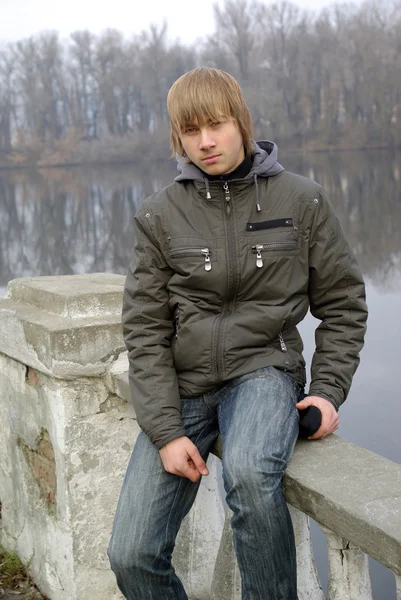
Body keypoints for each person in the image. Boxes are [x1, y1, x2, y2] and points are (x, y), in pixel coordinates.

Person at [108, 67, 367, 599]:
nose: (205, 142)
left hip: (264, 372)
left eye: (217, 125)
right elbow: (145, 328)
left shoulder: (302, 200)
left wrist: (327, 390)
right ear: (176, 137)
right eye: (190, 131)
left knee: (250, 478)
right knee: (130, 553)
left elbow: (342, 305)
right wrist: (165, 431)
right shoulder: (158, 215)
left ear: (242, 122)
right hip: (185, 387)